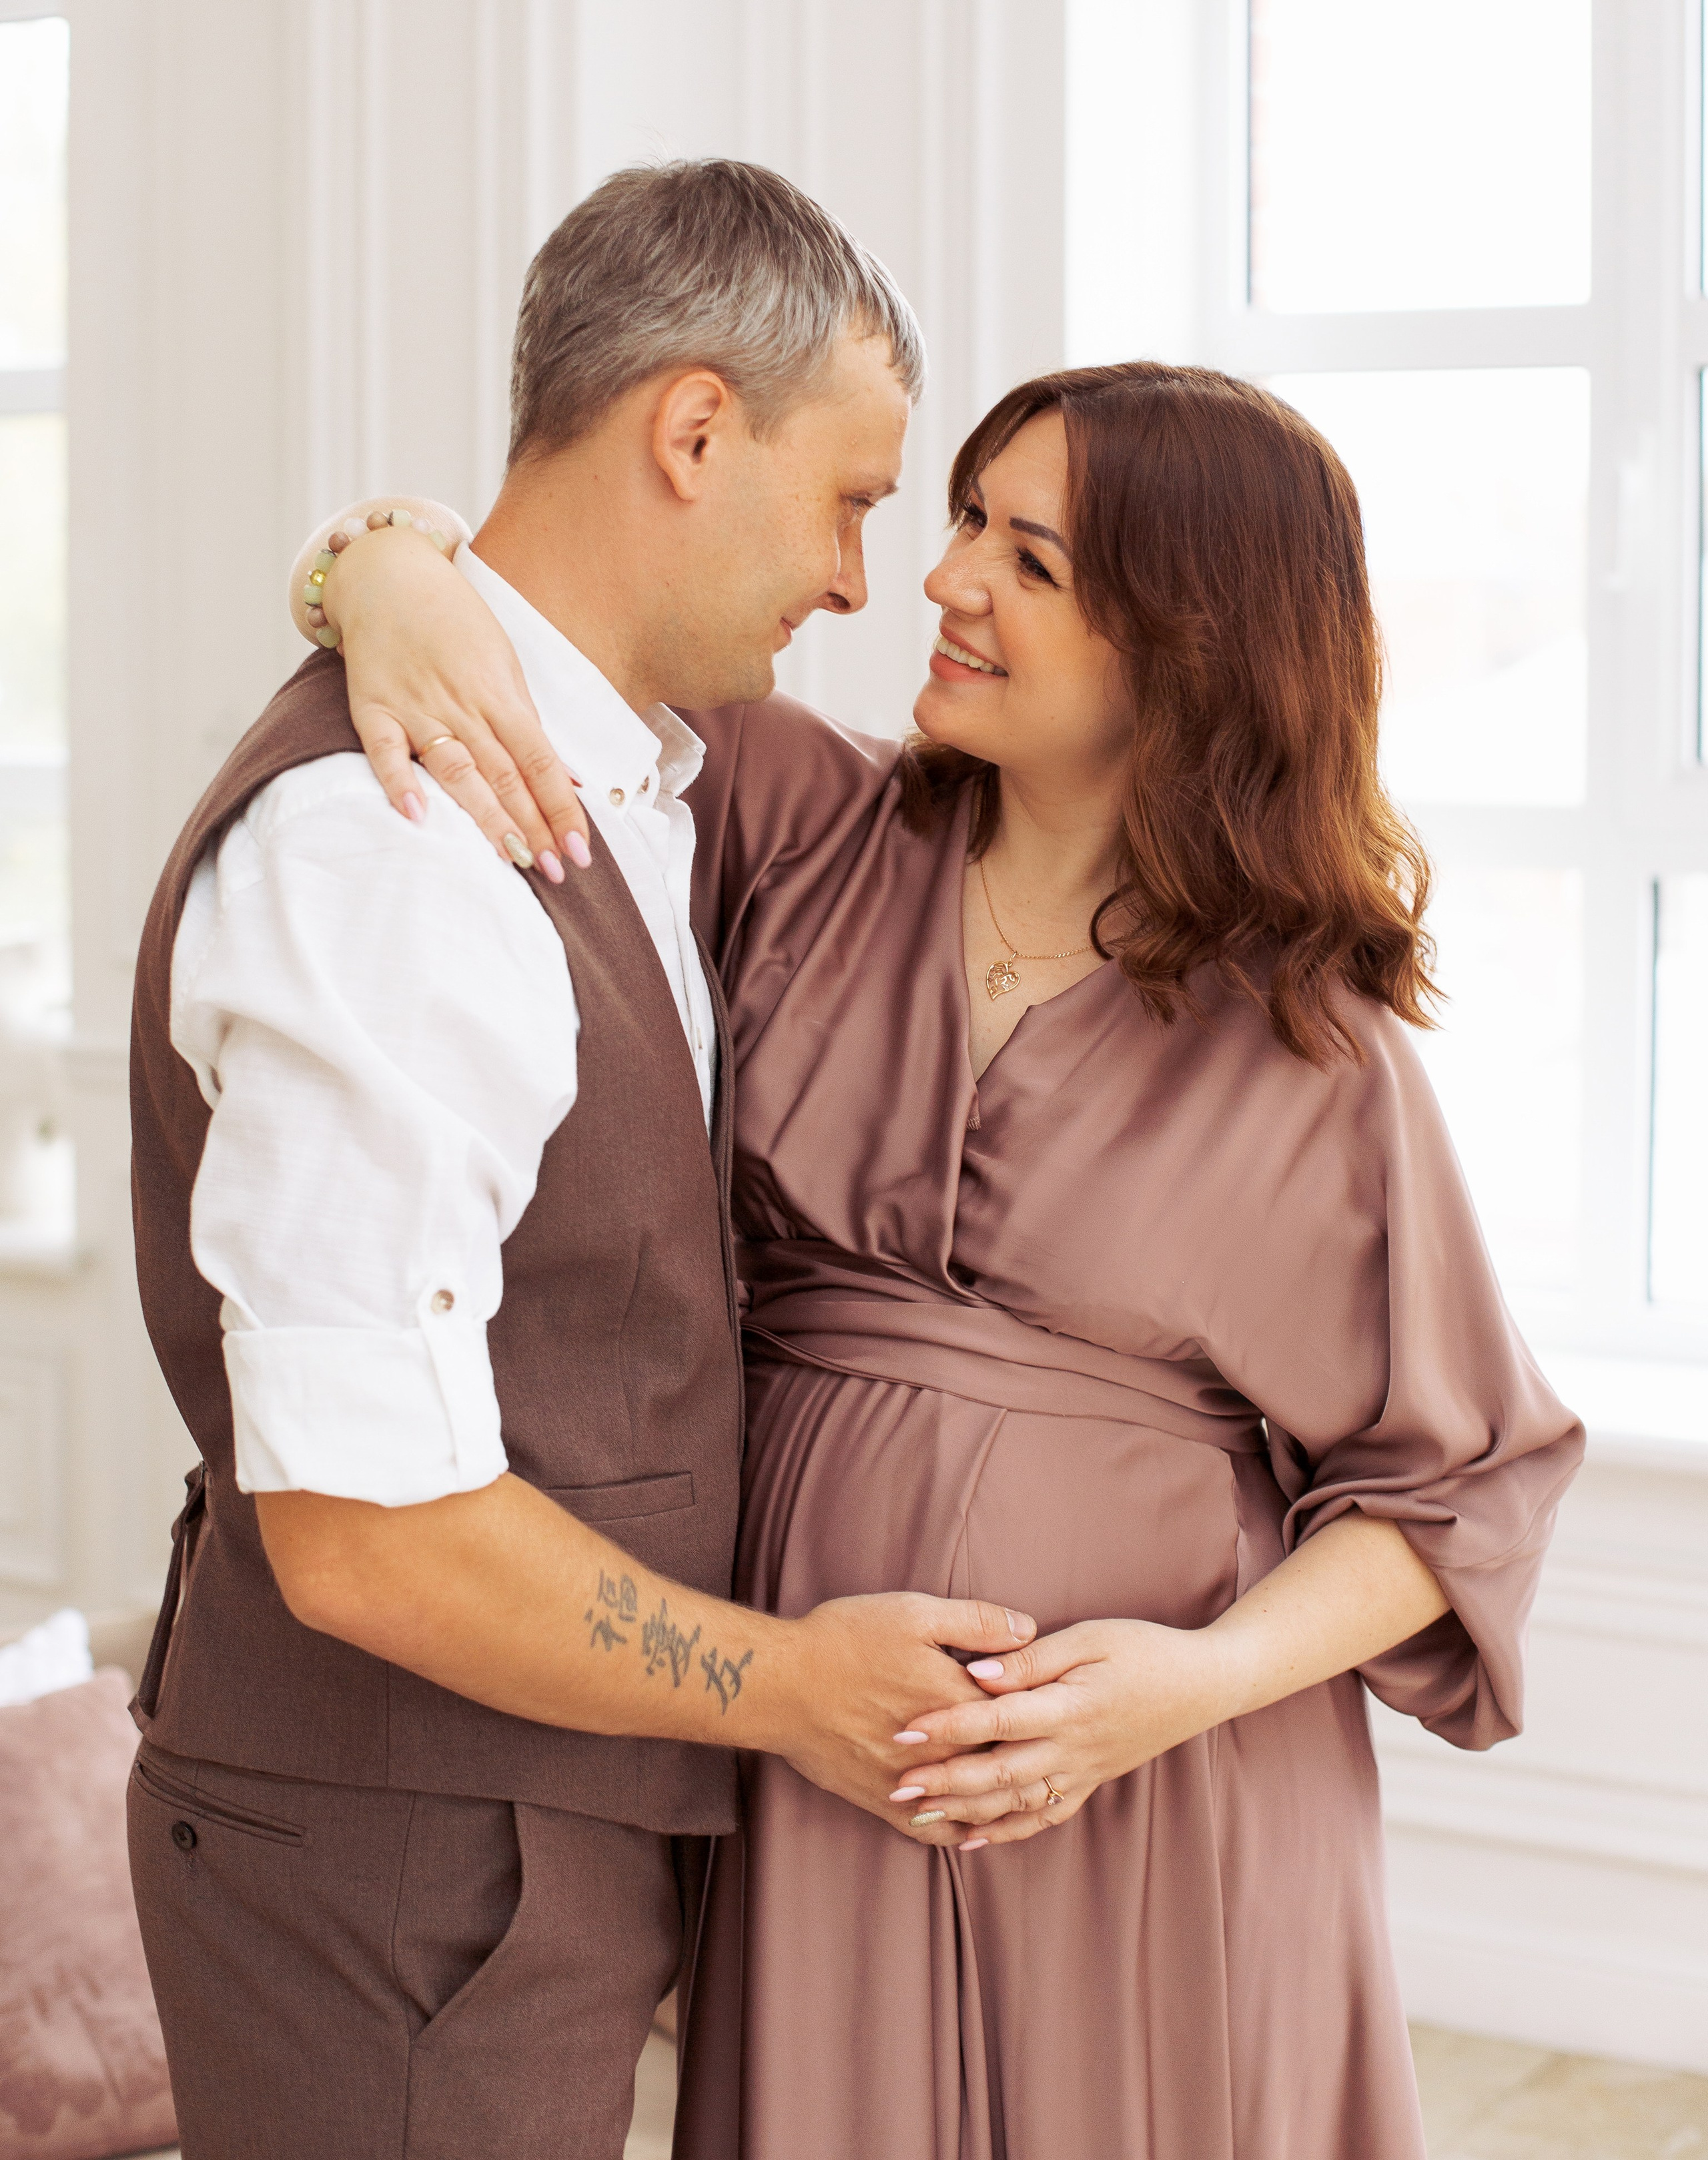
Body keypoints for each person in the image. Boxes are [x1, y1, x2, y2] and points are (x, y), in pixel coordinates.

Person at [306, 350, 1585, 2160]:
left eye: (1032, 559)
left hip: (1164, 1801)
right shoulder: (783, 820)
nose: (944, 577)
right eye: (966, 517)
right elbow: (534, 621)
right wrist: (377, 575)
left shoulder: (1312, 1047)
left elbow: (1463, 1492)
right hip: (826, 1762)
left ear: (1191, 642)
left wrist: (1181, 1687)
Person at [125, 159, 1040, 2160]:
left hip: (516, 1841)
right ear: (695, 431)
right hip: (401, 1875)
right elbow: (364, 1529)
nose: (865, 579)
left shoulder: (648, 783)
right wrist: (800, 1689)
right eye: (857, 497)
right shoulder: (398, 850)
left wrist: (371, 550)